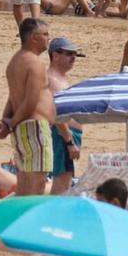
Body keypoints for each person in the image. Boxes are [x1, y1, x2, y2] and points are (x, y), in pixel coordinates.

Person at [0, 18, 54, 196]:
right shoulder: (34, 63)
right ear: (33, 38)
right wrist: (11, 122)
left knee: (25, 178)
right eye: (45, 34)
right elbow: (31, 101)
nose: (48, 38)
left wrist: (7, 122)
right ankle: (32, 219)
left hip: (22, 126)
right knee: (37, 180)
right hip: (34, 126)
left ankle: (22, 217)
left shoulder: (15, 61)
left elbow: (12, 97)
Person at [46, 37, 83, 195]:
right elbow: (55, 113)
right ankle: (56, 216)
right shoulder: (52, 79)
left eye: (75, 54)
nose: (73, 58)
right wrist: (69, 141)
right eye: (69, 54)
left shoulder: (60, 78)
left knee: (66, 180)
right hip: (63, 135)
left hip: (68, 135)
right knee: (62, 181)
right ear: (55, 55)